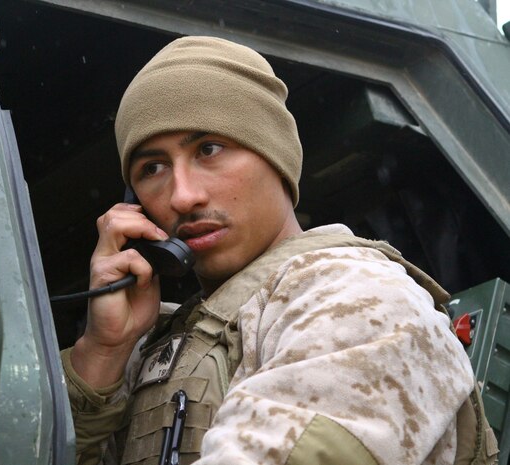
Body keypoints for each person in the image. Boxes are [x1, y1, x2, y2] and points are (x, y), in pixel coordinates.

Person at [60, 36, 497, 465]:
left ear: (276, 156)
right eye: (152, 168)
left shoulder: (359, 302)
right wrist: (101, 354)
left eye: (209, 149)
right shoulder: (151, 347)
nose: (182, 196)